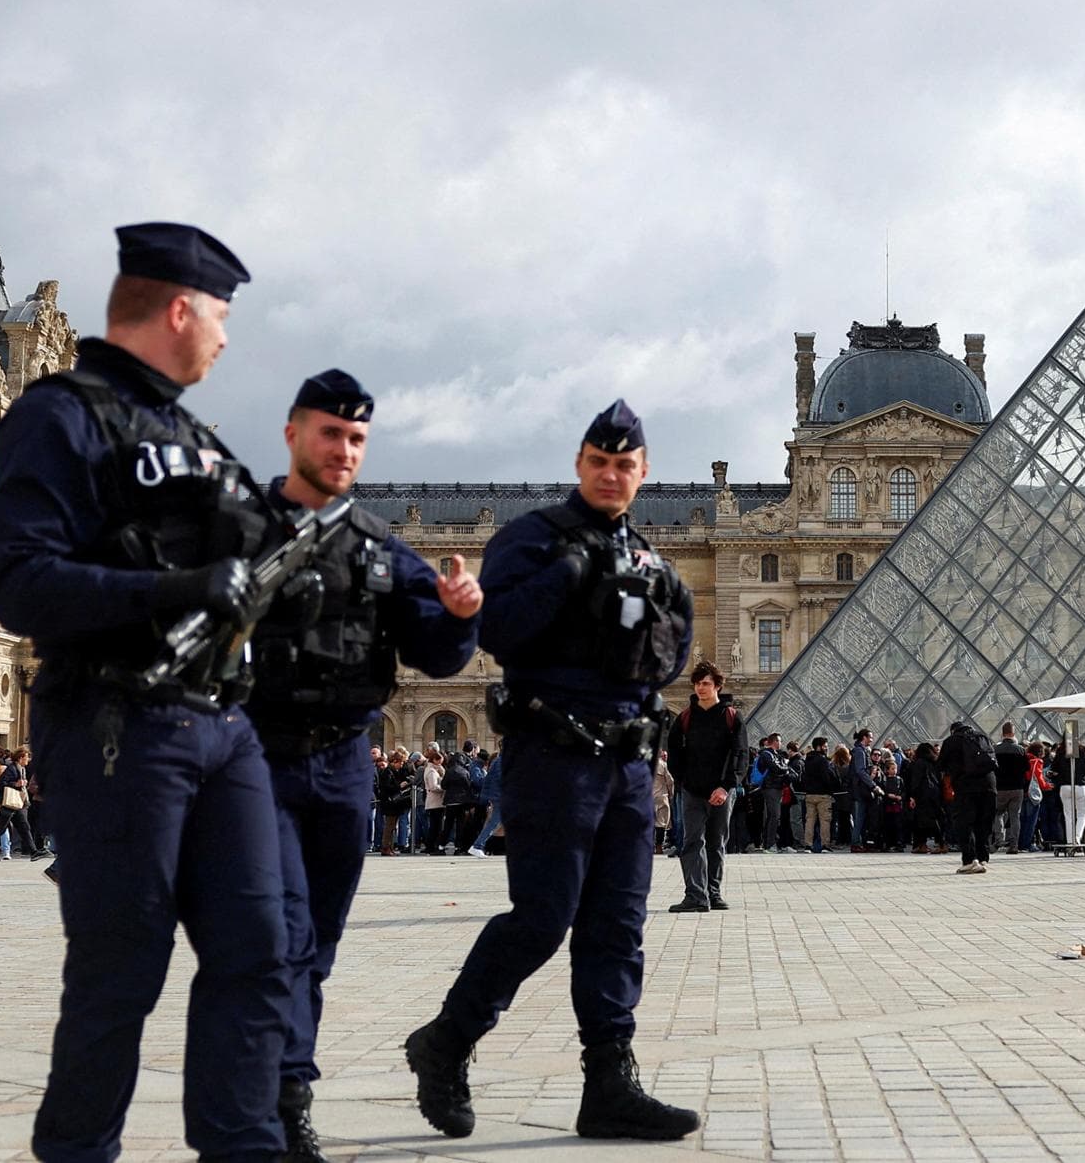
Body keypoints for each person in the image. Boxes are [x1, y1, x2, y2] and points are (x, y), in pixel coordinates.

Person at [0, 222, 297, 1160]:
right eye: (222, 318)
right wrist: (171, 592)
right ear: (179, 309)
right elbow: (19, 583)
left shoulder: (193, 435)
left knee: (260, 951)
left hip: (221, 726)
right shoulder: (58, 416)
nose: (228, 340)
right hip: (120, 718)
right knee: (120, 970)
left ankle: (244, 1146)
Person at [405, 400, 698, 1143]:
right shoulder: (531, 540)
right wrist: (569, 576)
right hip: (553, 753)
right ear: (580, 463)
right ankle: (448, 1039)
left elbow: (669, 657)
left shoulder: (654, 565)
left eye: (624, 464)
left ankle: (609, 1081)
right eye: (599, 462)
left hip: (628, 766)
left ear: (643, 472)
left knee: (618, 926)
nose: (611, 474)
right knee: (541, 918)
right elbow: (496, 631)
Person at [238, 369, 483, 1159]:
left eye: (355, 438)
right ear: (292, 434)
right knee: (278, 935)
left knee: (316, 940)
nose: (342, 449)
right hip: (257, 758)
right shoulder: (237, 529)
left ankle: (286, 1091)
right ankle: (278, 1098)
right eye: (329, 433)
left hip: (345, 762)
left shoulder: (380, 549)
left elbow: (438, 657)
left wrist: (457, 617)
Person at [666, 661, 742, 912]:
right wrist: (684, 782)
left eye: (706, 683)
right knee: (691, 842)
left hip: (721, 791)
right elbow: (674, 752)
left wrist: (726, 786)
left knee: (716, 842)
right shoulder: (685, 718)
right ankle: (696, 895)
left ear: (718, 686)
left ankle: (713, 892)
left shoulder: (732, 717)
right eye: (697, 683)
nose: (701, 688)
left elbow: (740, 755)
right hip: (693, 791)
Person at [944, 720, 997, 874]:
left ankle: (969, 860)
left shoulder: (952, 741)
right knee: (984, 823)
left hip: (965, 787)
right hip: (989, 786)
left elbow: (941, 764)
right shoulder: (983, 737)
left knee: (964, 823)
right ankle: (983, 858)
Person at [992, 722, 1028, 854]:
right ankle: (1014, 844)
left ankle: (998, 840)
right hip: (1017, 788)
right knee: (1015, 816)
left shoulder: (995, 749)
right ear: (1013, 734)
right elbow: (1026, 768)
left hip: (1000, 787)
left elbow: (992, 768)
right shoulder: (1021, 750)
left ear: (1002, 734)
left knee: (997, 814)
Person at [799, 737, 837, 852]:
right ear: (819, 747)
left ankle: (808, 845)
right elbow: (826, 777)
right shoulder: (823, 760)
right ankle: (825, 845)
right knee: (824, 821)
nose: (827, 748)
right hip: (823, 795)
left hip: (810, 794)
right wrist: (830, 789)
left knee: (810, 821)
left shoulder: (808, 760)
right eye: (825, 746)